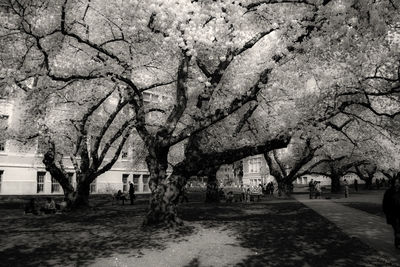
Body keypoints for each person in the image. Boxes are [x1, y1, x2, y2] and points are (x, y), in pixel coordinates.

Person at [382, 178, 400, 249]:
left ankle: (398, 242)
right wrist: (387, 213)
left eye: (398, 182)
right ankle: (398, 243)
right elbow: (385, 204)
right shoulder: (389, 192)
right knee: (397, 229)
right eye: (396, 182)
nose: (397, 184)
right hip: (393, 214)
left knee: (398, 229)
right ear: (393, 183)